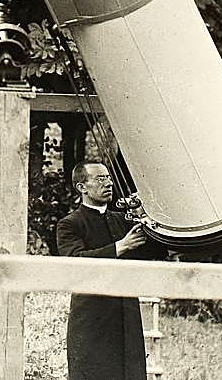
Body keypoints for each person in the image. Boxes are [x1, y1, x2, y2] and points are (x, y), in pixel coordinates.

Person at [56, 160, 166, 380]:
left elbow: (158, 251)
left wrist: (147, 217)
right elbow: (75, 262)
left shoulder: (122, 220)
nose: (108, 183)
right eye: (100, 179)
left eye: (108, 178)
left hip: (127, 316)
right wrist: (121, 246)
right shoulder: (69, 224)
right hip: (91, 318)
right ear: (82, 187)